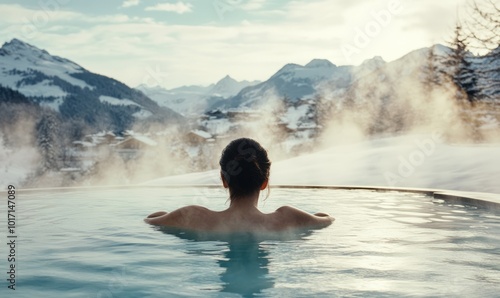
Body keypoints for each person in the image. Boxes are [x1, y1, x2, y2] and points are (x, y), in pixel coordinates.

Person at [145, 138, 334, 232]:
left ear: (224, 180)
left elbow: (151, 219)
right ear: (264, 182)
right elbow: (327, 218)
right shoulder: (288, 219)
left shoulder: (194, 217)